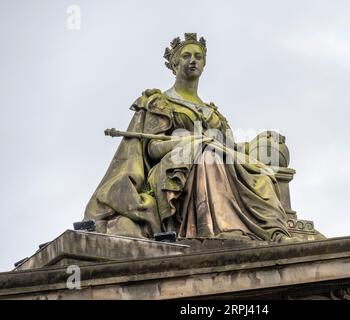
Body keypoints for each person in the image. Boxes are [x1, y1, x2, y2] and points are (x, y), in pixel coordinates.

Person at [84, 33, 295, 242]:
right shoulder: (160, 102)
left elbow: (229, 148)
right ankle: (220, 229)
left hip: (219, 160)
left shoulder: (213, 113)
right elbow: (153, 148)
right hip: (174, 166)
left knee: (261, 176)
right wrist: (190, 142)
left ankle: (275, 234)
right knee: (207, 156)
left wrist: (258, 144)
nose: (192, 60)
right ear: (175, 64)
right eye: (186, 56)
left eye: (198, 56)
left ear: (204, 64)